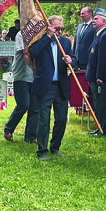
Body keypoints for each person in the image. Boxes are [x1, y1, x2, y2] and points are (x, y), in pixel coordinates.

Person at [29, 15, 73, 160]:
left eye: (61, 29)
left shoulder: (66, 43)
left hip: (61, 86)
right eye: (56, 29)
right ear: (49, 27)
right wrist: (47, 36)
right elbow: (34, 53)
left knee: (60, 119)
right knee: (44, 119)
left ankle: (55, 147)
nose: (59, 31)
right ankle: (42, 150)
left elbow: (74, 59)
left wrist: (71, 60)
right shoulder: (40, 40)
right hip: (45, 86)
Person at [4, 31, 39, 143]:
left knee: (35, 107)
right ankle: (9, 128)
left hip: (36, 77)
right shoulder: (21, 34)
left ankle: (31, 136)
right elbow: (25, 53)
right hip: (22, 76)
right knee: (24, 104)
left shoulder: (41, 34)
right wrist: (33, 68)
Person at [85, 8, 106, 137]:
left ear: (104, 21)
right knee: (98, 103)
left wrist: (100, 76)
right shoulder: (99, 34)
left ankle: (104, 129)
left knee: (102, 104)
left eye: (96, 18)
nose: (93, 21)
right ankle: (99, 127)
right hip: (94, 75)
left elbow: (104, 59)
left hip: (101, 78)